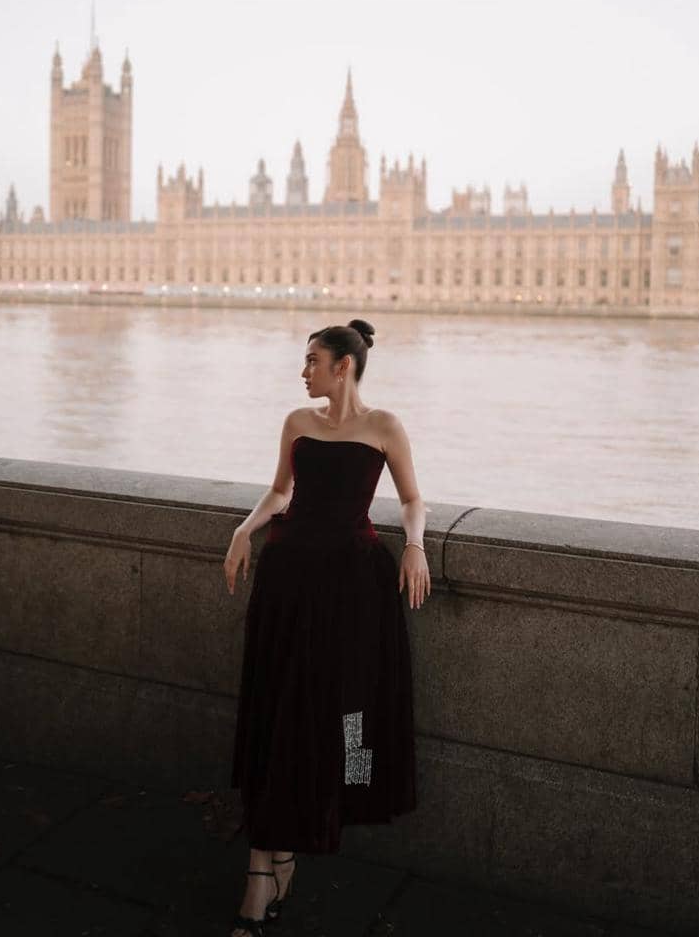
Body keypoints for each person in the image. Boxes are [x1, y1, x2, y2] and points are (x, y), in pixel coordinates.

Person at [223, 318, 430, 937]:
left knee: (348, 710)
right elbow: (281, 493)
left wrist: (415, 545)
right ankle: (268, 862)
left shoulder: (385, 427)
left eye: (312, 360)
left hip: (352, 587)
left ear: (344, 366)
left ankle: (338, 803)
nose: (303, 370)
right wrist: (243, 529)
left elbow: (413, 499)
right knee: (281, 709)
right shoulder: (297, 423)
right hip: (288, 584)